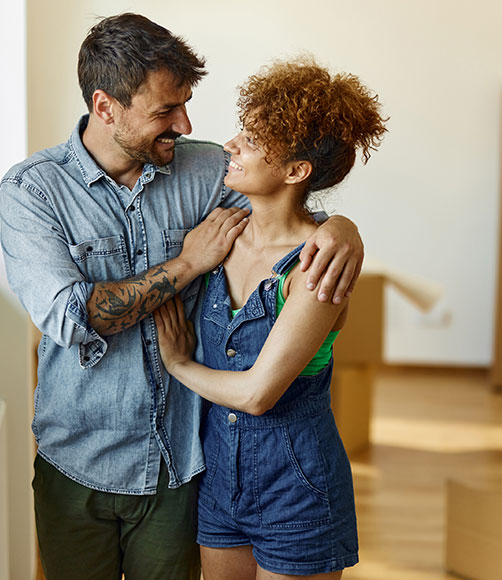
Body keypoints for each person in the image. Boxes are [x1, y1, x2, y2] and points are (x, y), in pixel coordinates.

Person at [0, 13, 364, 580]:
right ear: (106, 106)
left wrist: (341, 226)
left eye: (185, 103)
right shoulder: (33, 192)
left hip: (183, 465)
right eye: (165, 110)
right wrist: (188, 263)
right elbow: (73, 317)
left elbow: (286, 203)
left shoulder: (204, 170)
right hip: (77, 464)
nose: (186, 123)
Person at [154, 56, 387, 579]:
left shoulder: (317, 265)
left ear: (295, 171)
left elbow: (259, 394)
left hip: (297, 490)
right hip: (218, 482)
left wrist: (178, 364)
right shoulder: (221, 235)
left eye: (253, 140)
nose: (231, 145)